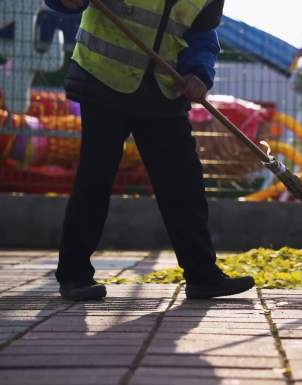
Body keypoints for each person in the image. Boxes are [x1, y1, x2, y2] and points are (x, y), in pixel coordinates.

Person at [45, 0, 255, 301]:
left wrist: (198, 73)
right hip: (104, 80)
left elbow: (202, 35)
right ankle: (74, 276)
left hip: (162, 89)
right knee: (96, 178)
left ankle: (202, 276)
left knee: (184, 183)